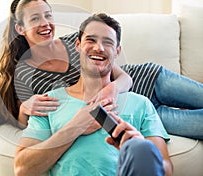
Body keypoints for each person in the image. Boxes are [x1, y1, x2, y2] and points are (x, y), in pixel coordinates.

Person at [0, 0, 203, 139]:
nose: (46, 23)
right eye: (35, 18)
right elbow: (27, 125)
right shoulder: (25, 75)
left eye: (48, 15)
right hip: (135, 111)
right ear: (20, 28)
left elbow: (125, 77)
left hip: (153, 79)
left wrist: (113, 88)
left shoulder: (75, 42)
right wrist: (24, 109)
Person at [14, 13, 173, 176]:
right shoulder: (49, 102)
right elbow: (22, 169)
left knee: (141, 148)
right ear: (77, 45)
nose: (99, 48)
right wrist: (75, 127)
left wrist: (143, 154)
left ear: (117, 51)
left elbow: (166, 170)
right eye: (91, 40)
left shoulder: (141, 104)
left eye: (108, 42)